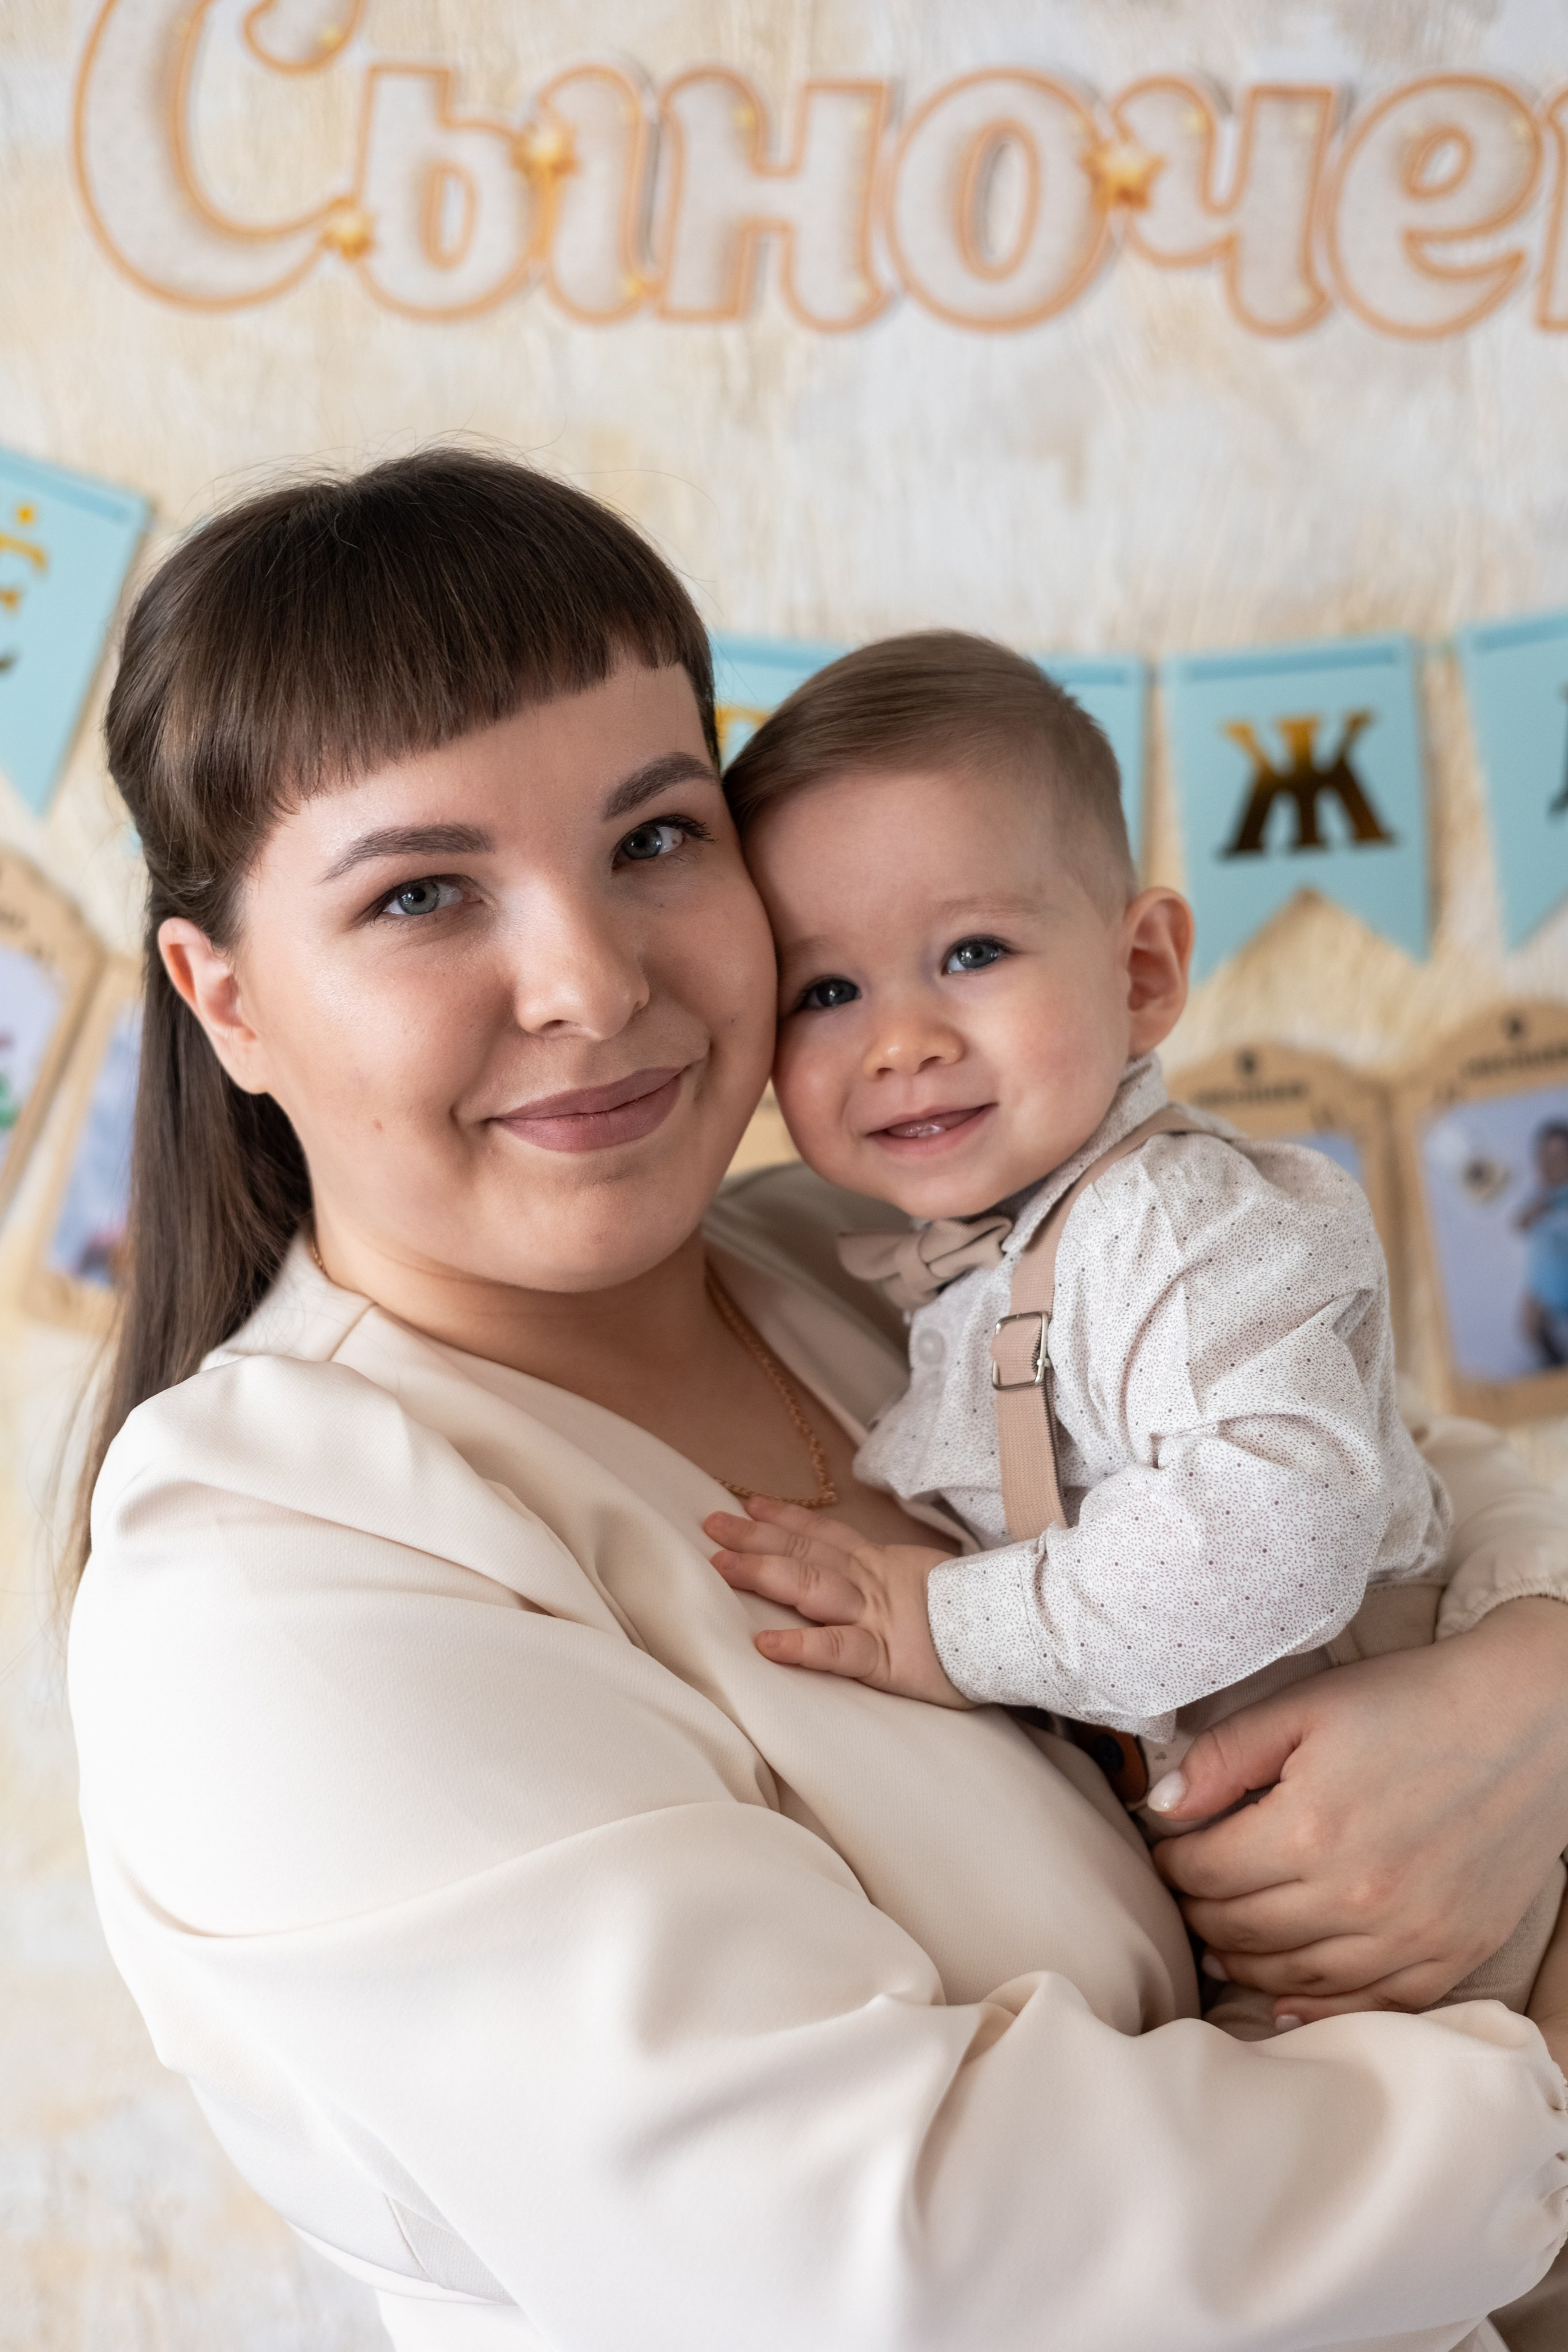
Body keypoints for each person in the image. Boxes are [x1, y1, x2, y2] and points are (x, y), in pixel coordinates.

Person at [66, 451, 1568, 2352]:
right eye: (425, 891)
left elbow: (1405, 1477)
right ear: (227, 999)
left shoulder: (872, 1252)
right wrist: (1529, 2082)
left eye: (652, 838)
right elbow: (902, 2257)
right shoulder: (270, 1588)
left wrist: (1526, 1688)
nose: (592, 982)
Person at [706, 634, 1562, 2034]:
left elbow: (1273, 1526)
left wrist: (942, 1622)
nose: (901, 1037)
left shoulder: (1168, 1218)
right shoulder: (960, 1251)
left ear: (1143, 968)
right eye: (826, 990)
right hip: (1270, 1886)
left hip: (1413, 1837)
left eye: (969, 951)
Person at [1517, 1122, 1568, 1368]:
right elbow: (1519, 1224)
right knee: (1532, 1330)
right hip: (1542, 1292)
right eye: (1547, 1155)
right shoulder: (1538, 1195)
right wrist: (1537, 1206)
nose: (1554, 1162)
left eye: (1561, 1155)